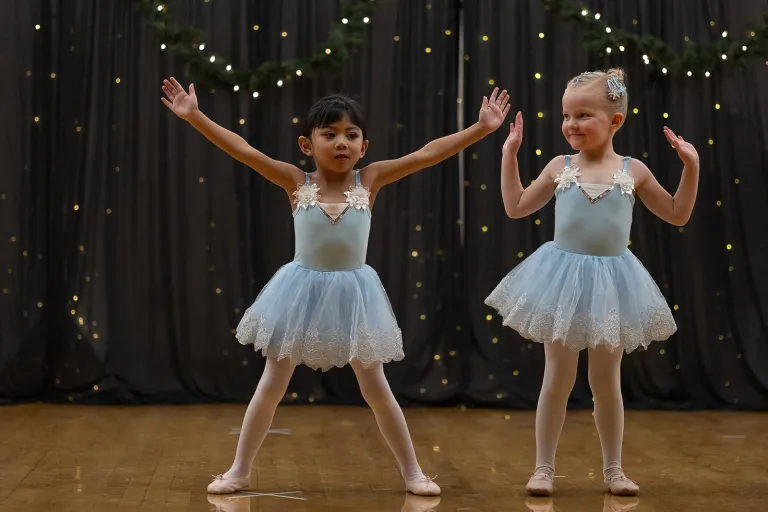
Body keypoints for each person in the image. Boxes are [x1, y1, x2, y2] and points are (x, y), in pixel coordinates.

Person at [161, 77, 510, 495]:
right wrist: (195, 116)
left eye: (351, 135)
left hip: (355, 294)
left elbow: (427, 154)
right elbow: (243, 150)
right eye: (329, 134)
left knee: (376, 387)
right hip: (298, 290)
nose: (341, 142)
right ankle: (239, 470)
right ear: (307, 145)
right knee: (272, 383)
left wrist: (481, 129)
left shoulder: (371, 180)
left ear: (364, 146)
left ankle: (413, 472)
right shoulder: (296, 182)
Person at [485, 68, 699, 496]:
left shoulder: (632, 170)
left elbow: (677, 213)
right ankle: (544, 468)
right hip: (562, 280)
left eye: (582, 115)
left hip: (612, 284)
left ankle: (614, 470)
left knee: (606, 382)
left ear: (614, 121)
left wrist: (690, 167)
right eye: (566, 116)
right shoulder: (559, 166)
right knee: (557, 379)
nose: (570, 124)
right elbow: (515, 207)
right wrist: (509, 155)